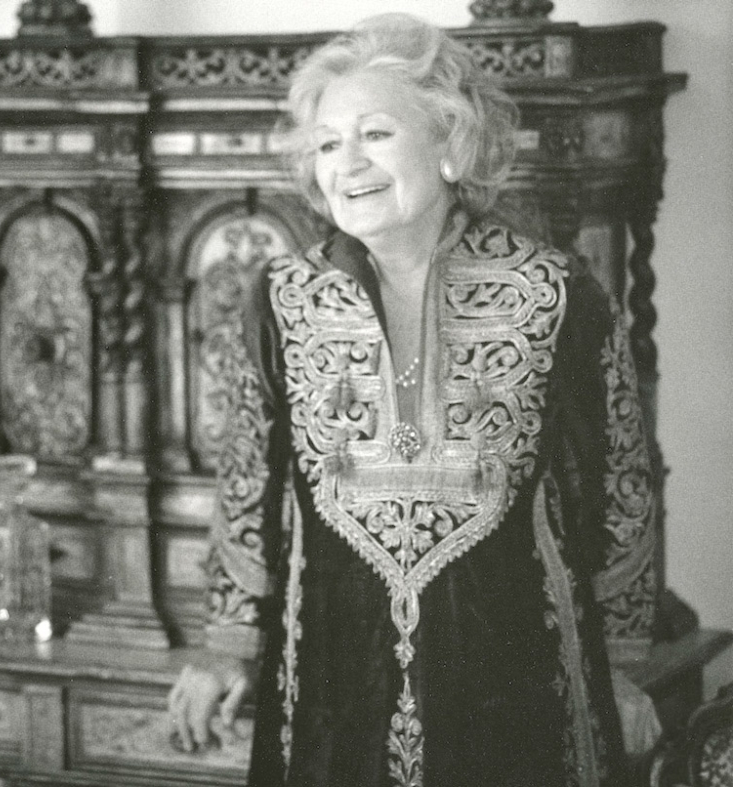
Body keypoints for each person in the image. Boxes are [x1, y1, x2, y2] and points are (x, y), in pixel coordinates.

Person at [168, 12, 658, 787]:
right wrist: (226, 645)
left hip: (519, 700)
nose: (346, 163)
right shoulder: (284, 298)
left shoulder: (555, 294)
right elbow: (246, 489)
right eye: (327, 144)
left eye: (375, 134)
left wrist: (627, 664)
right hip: (331, 694)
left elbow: (619, 484)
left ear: (452, 143)